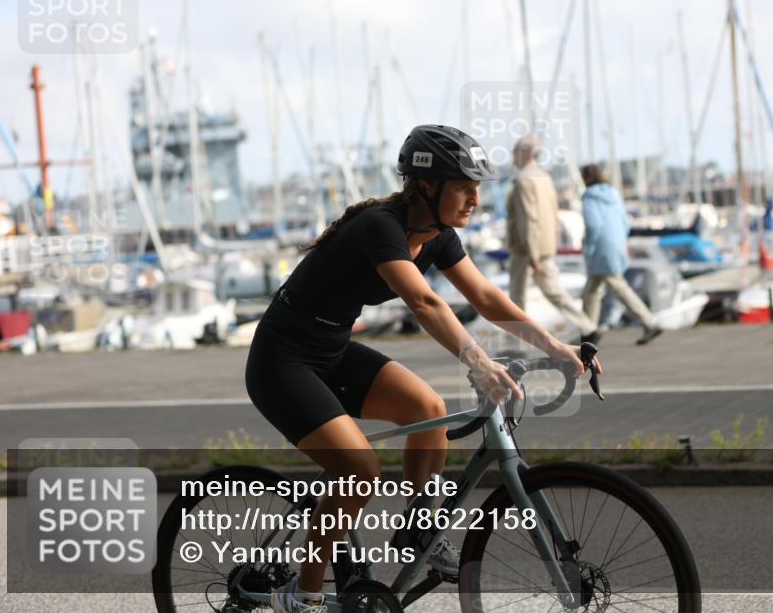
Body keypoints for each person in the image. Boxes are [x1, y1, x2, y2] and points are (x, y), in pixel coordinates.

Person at [245, 124, 598, 613]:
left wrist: (558, 347)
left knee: (427, 409)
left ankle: (418, 532)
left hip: (331, 351)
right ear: (426, 186)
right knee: (359, 471)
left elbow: (487, 298)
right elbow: (423, 301)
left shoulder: (437, 235)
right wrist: (477, 360)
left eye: (477, 187)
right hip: (281, 361)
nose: (475, 198)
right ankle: (299, 595)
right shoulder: (381, 228)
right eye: (464, 187)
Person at [505, 133, 601, 344]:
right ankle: (587, 326)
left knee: (517, 298)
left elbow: (527, 219)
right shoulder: (544, 177)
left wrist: (532, 254)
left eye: (515, 150)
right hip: (546, 246)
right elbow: (553, 213)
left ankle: (516, 343)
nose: (512, 155)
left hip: (526, 249)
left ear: (525, 153)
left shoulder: (523, 180)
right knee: (554, 291)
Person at [579, 163, 663, 346]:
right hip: (616, 243)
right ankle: (588, 331)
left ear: (585, 178)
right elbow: (625, 222)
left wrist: (589, 247)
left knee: (616, 287)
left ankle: (649, 321)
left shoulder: (589, 198)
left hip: (601, 247)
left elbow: (593, 225)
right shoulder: (614, 194)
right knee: (592, 290)